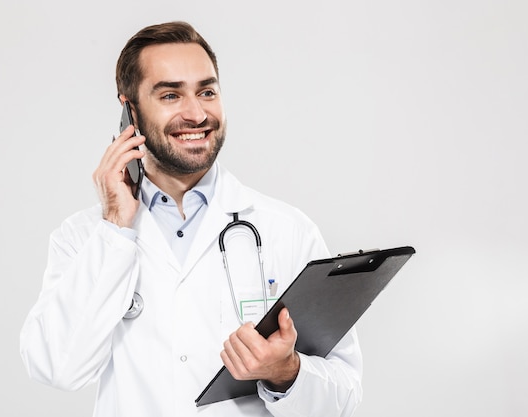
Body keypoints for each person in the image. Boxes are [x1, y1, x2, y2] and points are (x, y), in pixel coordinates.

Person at [20, 21, 363, 416]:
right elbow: (56, 368)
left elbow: (345, 399)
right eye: (170, 95)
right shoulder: (84, 237)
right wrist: (115, 228)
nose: (196, 113)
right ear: (129, 111)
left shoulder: (287, 230)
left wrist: (285, 371)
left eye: (207, 91)